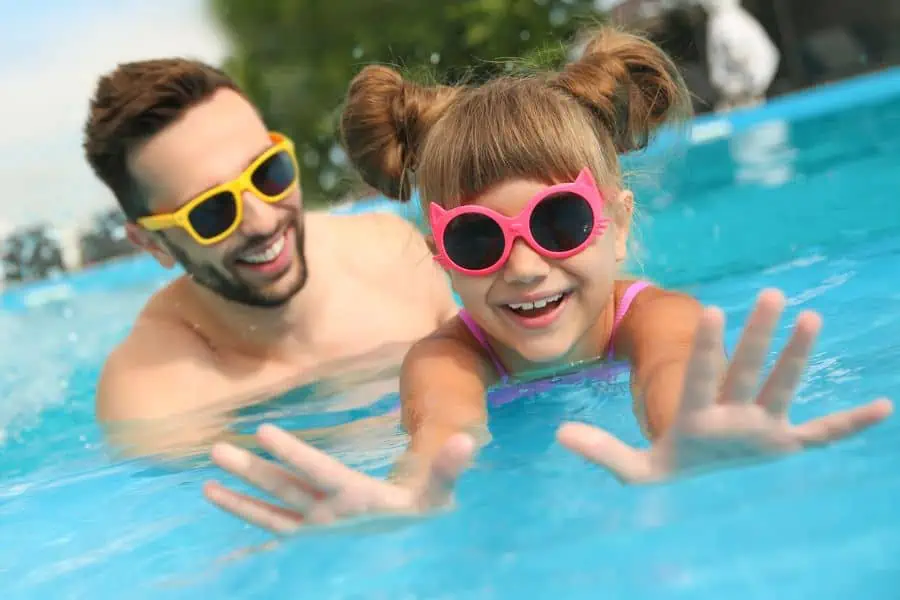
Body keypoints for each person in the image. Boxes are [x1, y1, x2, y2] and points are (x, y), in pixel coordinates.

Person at [202, 27, 893, 533]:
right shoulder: (447, 357)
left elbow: (671, 375)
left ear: (616, 225)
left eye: (559, 223)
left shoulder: (652, 318)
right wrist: (411, 494)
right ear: (441, 254)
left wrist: (688, 431)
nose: (526, 267)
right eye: (477, 239)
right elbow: (444, 430)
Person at [82, 59, 459, 458]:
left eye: (267, 173)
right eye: (212, 211)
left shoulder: (396, 257)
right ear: (152, 243)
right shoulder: (154, 397)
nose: (262, 220)